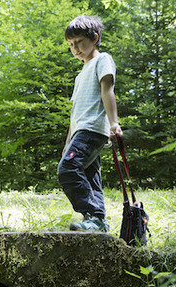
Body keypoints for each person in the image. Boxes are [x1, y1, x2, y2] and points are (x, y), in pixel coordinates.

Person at [58, 15, 123, 232]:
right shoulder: (79, 76)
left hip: (93, 128)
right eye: (71, 45)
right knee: (89, 175)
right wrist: (68, 141)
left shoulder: (103, 59)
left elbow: (108, 91)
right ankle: (99, 222)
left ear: (94, 38)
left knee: (68, 168)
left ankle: (94, 216)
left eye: (79, 42)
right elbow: (75, 112)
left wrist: (114, 123)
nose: (75, 48)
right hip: (81, 131)